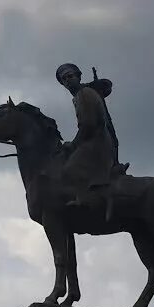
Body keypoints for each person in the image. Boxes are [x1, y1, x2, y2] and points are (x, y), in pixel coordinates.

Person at [55, 63, 125, 206]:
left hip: (97, 143)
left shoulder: (84, 93)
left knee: (69, 169)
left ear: (79, 76)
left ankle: (85, 200)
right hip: (94, 140)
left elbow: (88, 125)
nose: (67, 80)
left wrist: (73, 145)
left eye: (70, 76)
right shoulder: (80, 95)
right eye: (64, 79)